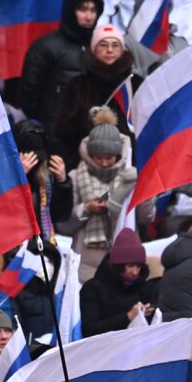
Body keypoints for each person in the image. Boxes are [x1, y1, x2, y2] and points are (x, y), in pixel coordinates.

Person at [65, 109, 139, 278]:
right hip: (86, 263)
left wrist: (140, 186)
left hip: (124, 261)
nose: (104, 163)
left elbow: (145, 217)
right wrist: (86, 209)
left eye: (109, 157)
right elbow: (63, 225)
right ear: (90, 154)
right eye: (98, 157)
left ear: (118, 154)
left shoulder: (130, 175)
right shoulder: (75, 177)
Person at [18, 0, 105, 130]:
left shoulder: (101, 46)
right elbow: (28, 95)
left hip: (93, 132)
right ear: (70, 11)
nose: (89, 16)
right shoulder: (45, 46)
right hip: (55, 132)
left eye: (93, 10)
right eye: (83, 10)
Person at [53, 25, 137, 171]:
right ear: (94, 50)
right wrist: (89, 125)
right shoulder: (78, 85)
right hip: (86, 168)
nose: (109, 50)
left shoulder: (134, 83)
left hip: (128, 167)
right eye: (103, 45)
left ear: (122, 50)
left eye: (115, 45)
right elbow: (62, 129)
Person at [79, 229, 157, 336]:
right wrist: (128, 316)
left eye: (138, 266)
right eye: (130, 266)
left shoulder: (146, 288)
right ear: (118, 265)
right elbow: (89, 329)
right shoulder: (93, 288)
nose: (135, 272)